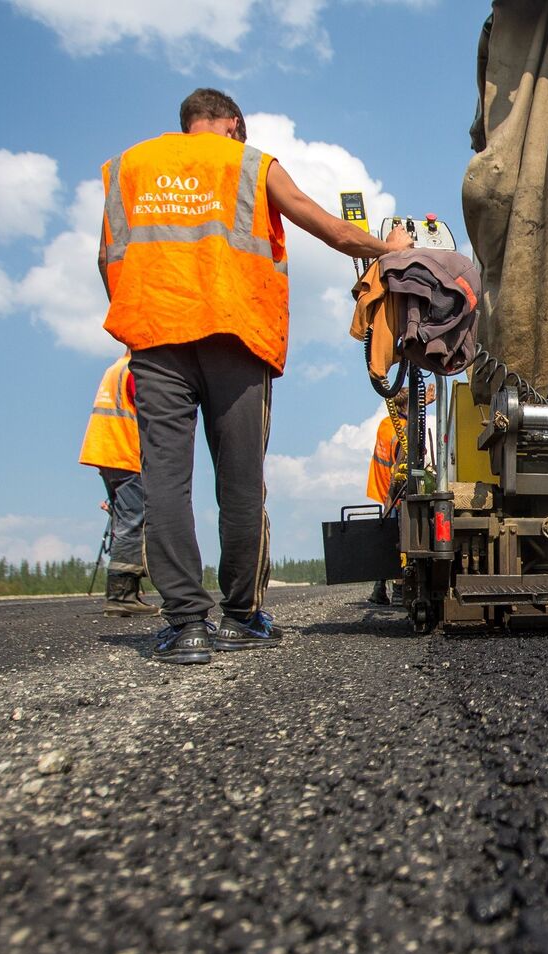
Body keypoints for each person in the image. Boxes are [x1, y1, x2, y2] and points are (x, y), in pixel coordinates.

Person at [99, 87, 411, 664]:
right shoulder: (250, 163)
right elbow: (333, 231)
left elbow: (106, 260)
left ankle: (185, 627)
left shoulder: (127, 167)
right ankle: (240, 616)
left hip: (156, 338)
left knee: (165, 481)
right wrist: (388, 248)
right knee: (240, 484)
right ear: (233, 124)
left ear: (188, 122)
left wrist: (147, 316)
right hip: (236, 339)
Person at [78, 352, 157, 617]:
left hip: (106, 453)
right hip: (124, 453)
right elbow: (153, 414)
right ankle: (122, 596)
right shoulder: (136, 370)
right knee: (133, 520)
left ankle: (123, 593)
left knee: (124, 519)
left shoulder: (116, 368)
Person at [364, 384, 433, 606]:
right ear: (404, 406)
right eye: (414, 403)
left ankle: (379, 589)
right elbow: (403, 466)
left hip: (381, 489)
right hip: (395, 494)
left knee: (386, 538)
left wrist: (423, 404)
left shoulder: (385, 425)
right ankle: (399, 589)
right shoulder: (402, 431)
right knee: (402, 540)